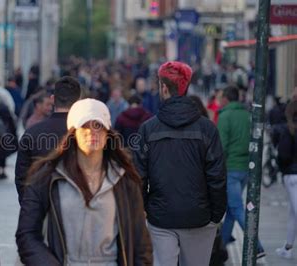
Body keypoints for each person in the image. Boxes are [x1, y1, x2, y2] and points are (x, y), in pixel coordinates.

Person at [16, 98, 153, 265]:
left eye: (98, 125)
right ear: (73, 132)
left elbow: (141, 243)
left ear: (107, 133)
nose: (92, 131)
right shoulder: (47, 177)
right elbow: (27, 233)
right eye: (85, 125)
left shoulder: (125, 181)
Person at [134, 61, 226, 266]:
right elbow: (217, 176)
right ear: (185, 88)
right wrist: (216, 215)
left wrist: (146, 207)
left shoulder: (148, 129)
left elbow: (139, 175)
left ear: (164, 87)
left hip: (161, 217)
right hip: (199, 216)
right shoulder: (207, 129)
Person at [15, 76, 82, 203]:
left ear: (52, 99)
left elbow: (21, 174)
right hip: (76, 206)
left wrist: (29, 204)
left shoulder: (32, 132)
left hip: (40, 203)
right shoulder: (86, 134)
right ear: (78, 101)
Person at [217, 86, 265, 257]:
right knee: (231, 208)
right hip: (246, 169)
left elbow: (221, 146)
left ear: (226, 99)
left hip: (231, 169)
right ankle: (221, 245)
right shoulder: (248, 115)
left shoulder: (225, 116)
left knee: (236, 208)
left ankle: (256, 246)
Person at [275, 100, 297, 259]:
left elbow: (283, 155)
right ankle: (288, 247)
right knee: (293, 213)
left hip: (292, 175)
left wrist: (282, 168)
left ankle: (288, 249)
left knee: (295, 211)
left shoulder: (289, 130)